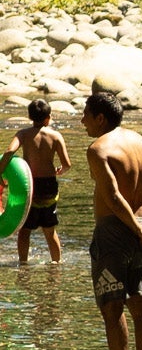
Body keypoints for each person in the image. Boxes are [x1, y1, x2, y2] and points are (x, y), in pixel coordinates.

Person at [83, 91, 142, 350]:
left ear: (100, 118)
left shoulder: (98, 148)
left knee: (112, 307)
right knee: (140, 303)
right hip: (140, 237)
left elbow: (113, 197)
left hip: (112, 234)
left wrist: (134, 225)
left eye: (86, 115)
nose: (82, 121)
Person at [1, 97, 71, 263]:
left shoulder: (23, 134)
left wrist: (1, 172)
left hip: (29, 185)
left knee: (25, 229)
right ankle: (56, 263)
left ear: (29, 117)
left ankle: (23, 263)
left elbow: (10, 151)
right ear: (48, 118)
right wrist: (59, 171)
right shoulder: (55, 136)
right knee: (49, 230)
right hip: (48, 186)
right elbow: (67, 164)